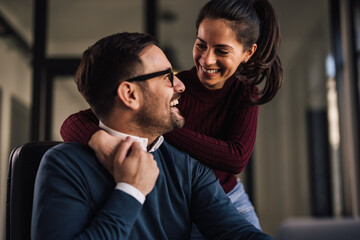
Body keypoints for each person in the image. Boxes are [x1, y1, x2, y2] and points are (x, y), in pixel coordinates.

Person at [60, 0, 283, 237]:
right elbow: (73, 122)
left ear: (248, 53)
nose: (207, 60)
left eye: (222, 50)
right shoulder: (175, 89)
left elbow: (236, 158)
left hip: (227, 195)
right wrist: (98, 139)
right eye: (201, 45)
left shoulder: (243, 94)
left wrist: (160, 124)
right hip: (182, 193)